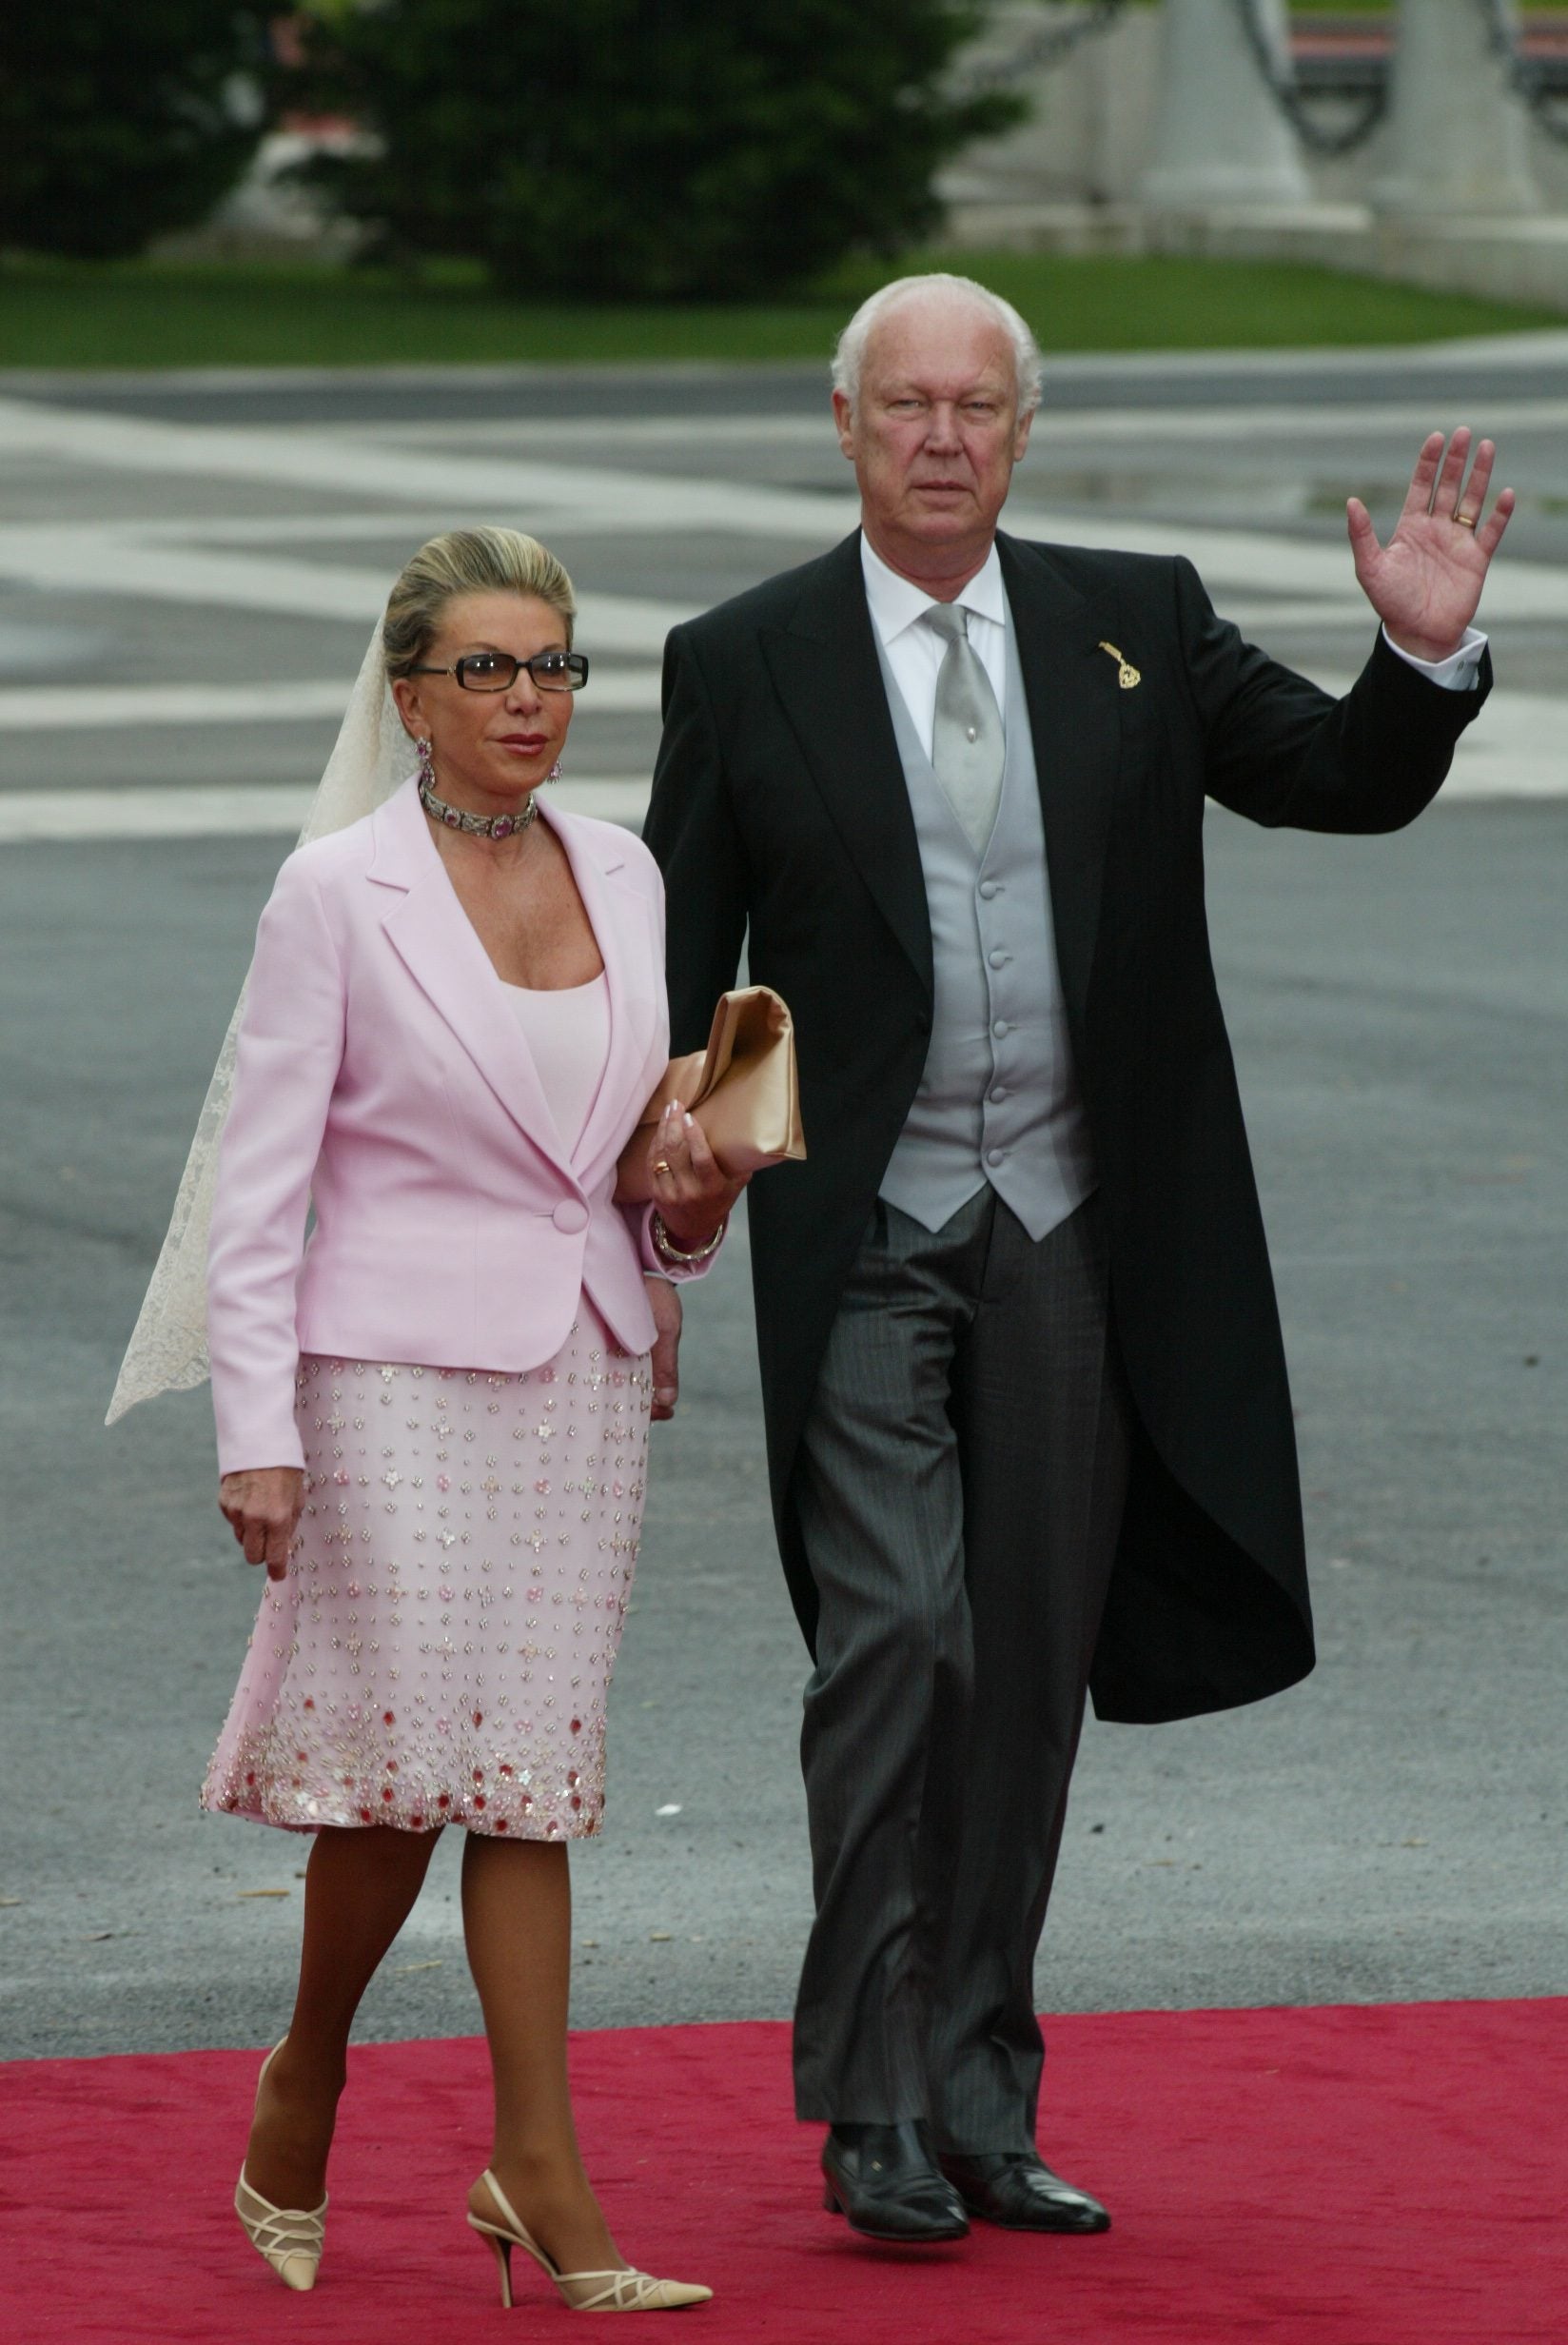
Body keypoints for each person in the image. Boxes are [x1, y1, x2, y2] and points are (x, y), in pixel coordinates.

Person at [642, 272, 1512, 2246]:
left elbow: (1336, 778)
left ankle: (974, 2088)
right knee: (897, 1641)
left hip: (1067, 1222)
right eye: (904, 403)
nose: (940, 435)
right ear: (843, 424)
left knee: (1023, 1669)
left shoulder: (1135, 615)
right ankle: (862, 2101)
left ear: (1019, 434)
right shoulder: (744, 655)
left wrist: (1415, 660)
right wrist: (656, 1186)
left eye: (976, 405)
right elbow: (676, 963)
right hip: (861, 1231)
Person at [158, 528, 741, 2308]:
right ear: (407, 695)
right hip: (386, 1381)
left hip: (574, 1370)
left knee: (530, 1786)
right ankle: (310, 2069)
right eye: (487, 670)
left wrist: (695, 1197)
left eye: (556, 667)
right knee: (406, 1776)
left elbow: (635, 1168)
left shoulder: (630, 871)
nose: (528, 702)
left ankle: (533, 2163)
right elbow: (263, 1191)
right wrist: (255, 1427)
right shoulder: (336, 890)